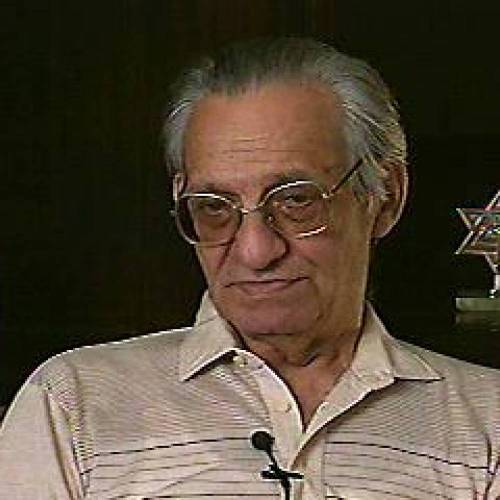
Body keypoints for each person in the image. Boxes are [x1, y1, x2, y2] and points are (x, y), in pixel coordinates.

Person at [1, 37, 499, 499]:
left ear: (385, 197)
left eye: (297, 201)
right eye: (214, 208)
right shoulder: (72, 406)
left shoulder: (488, 423)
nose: (256, 252)